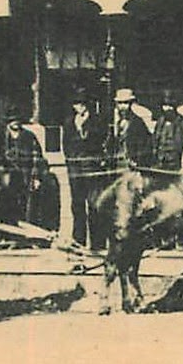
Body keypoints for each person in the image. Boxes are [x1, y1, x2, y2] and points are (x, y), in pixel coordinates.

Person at [62, 90, 109, 249]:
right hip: (75, 171)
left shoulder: (97, 120)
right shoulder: (69, 122)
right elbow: (66, 146)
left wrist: (99, 160)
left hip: (93, 169)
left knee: (95, 206)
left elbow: (104, 142)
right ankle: (78, 241)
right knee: (77, 206)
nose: (79, 107)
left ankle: (98, 243)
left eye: (82, 103)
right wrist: (70, 164)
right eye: (76, 104)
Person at [0, 105, 48, 225]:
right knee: (8, 208)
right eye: (12, 120)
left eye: (17, 120)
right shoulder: (1, 138)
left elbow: (37, 158)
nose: (15, 123)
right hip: (7, 180)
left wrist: (36, 178)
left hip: (26, 177)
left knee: (28, 209)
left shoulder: (29, 136)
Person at [105, 88, 152, 170]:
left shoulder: (138, 123)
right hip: (117, 165)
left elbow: (144, 146)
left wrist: (137, 162)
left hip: (132, 167)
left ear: (131, 104)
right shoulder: (115, 122)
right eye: (120, 103)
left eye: (126, 103)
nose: (122, 106)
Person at [150, 92, 183, 173]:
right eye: (165, 106)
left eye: (170, 106)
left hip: (175, 164)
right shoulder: (160, 122)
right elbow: (155, 142)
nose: (167, 109)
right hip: (160, 163)